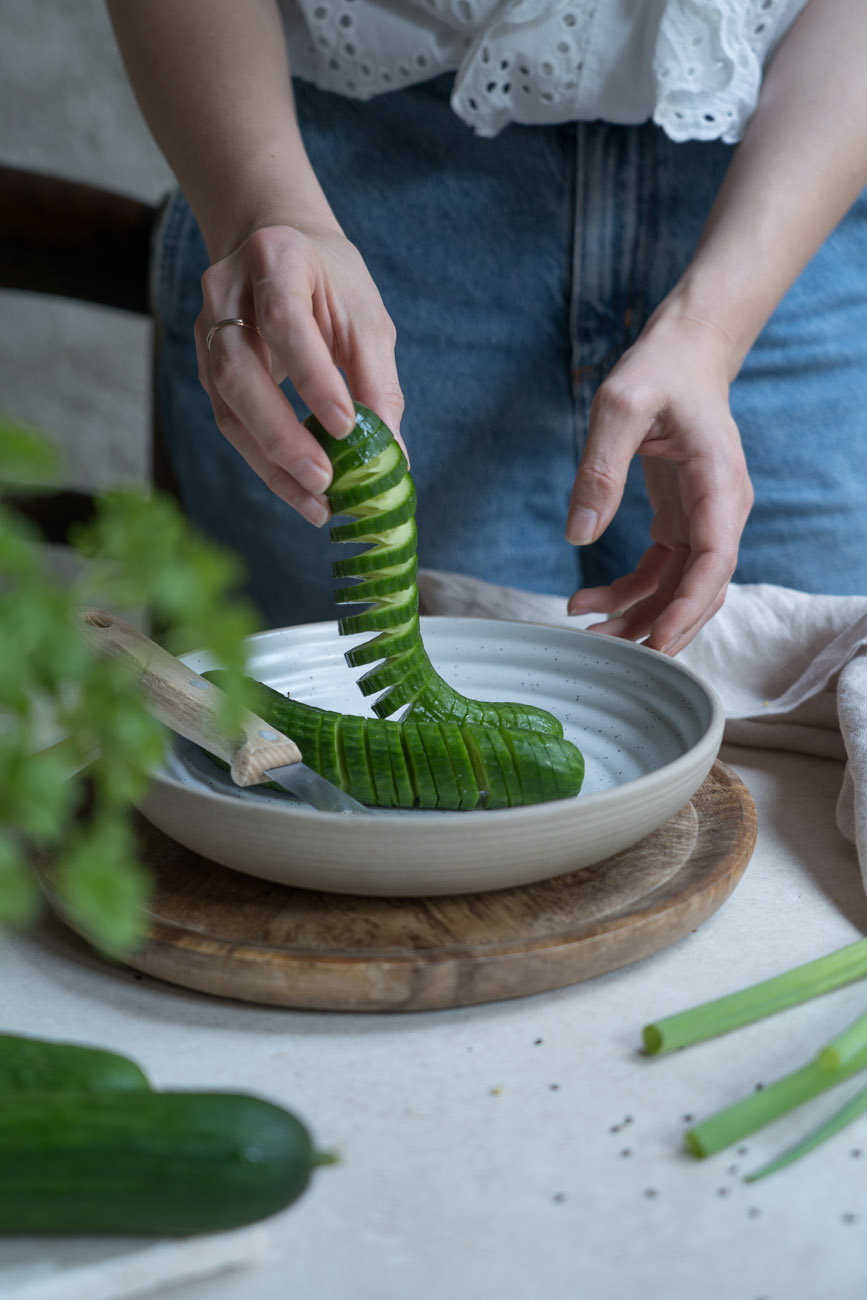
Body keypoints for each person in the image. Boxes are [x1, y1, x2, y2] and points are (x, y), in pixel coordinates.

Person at [107, 0, 867, 652]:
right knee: (302, 776)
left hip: (794, 172)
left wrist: (712, 328)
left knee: (798, 768)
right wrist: (259, 208)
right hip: (334, 179)